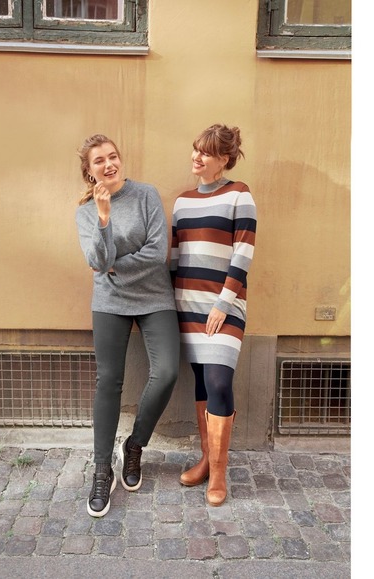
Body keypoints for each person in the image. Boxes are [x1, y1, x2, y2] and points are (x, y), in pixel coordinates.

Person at [75, 134, 180, 518]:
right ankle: (102, 469)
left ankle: (134, 446)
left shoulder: (146, 195)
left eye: (113, 156)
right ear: (89, 171)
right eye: (99, 160)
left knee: (166, 372)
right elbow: (96, 260)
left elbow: (156, 252)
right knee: (109, 381)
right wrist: (104, 218)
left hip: (154, 297)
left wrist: (114, 267)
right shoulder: (86, 212)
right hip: (110, 303)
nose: (109, 164)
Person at [170, 124, 256, 506]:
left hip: (225, 305)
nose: (196, 157)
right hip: (187, 305)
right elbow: (175, 257)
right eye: (195, 149)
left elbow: (244, 252)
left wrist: (223, 303)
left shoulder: (240, 195)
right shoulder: (182, 201)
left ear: (223, 159)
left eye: (205, 152)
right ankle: (207, 459)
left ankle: (219, 473)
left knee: (219, 382)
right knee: (203, 382)